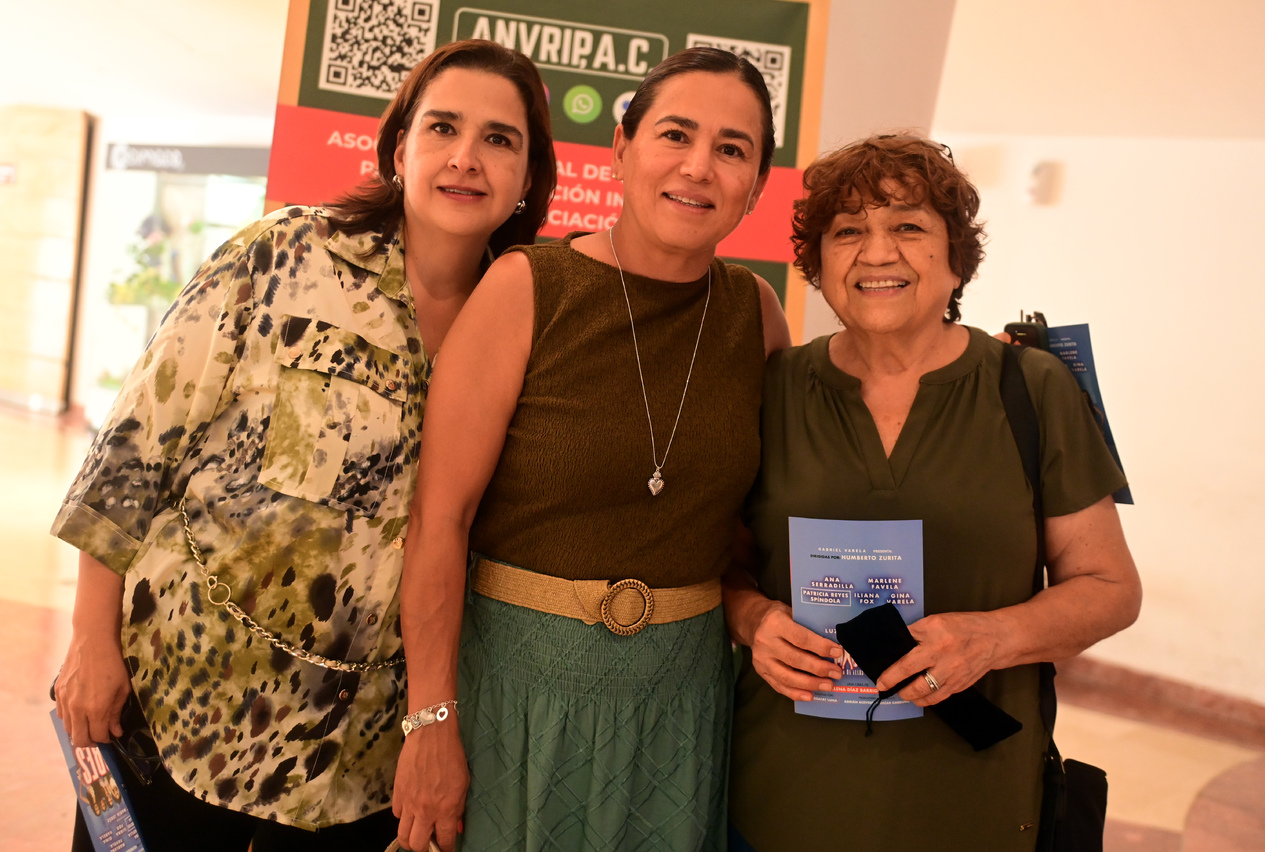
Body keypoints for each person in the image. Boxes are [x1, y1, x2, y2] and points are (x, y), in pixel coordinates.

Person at [51, 39, 555, 852]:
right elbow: (135, 445)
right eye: (443, 128)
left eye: (499, 139)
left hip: (359, 759)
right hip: (182, 704)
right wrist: (90, 638)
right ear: (400, 149)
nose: (466, 157)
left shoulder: (528, 324)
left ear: (529, 177)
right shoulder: (283, 255)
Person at [391, 47, 792, 852]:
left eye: (731, 149)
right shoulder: (526, 287)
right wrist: (430, 722)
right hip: (516, 698)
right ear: (620, 149)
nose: (699, 167)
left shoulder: (757, 314)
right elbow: (439, 522)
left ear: (755, 185)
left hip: (682, 707)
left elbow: (753, 536)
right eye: (675, 134)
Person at [721, 135, 1142, 851]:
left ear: (957, 259)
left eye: (908, 226)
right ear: (818, 263)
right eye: (847, 231)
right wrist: (752, 619)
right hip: (783, 797)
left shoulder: (1030, 389)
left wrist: (993, 638)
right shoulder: (773, 386)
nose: (877, 252)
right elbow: (723, 567)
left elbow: (1110, 588)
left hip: (973, 804)